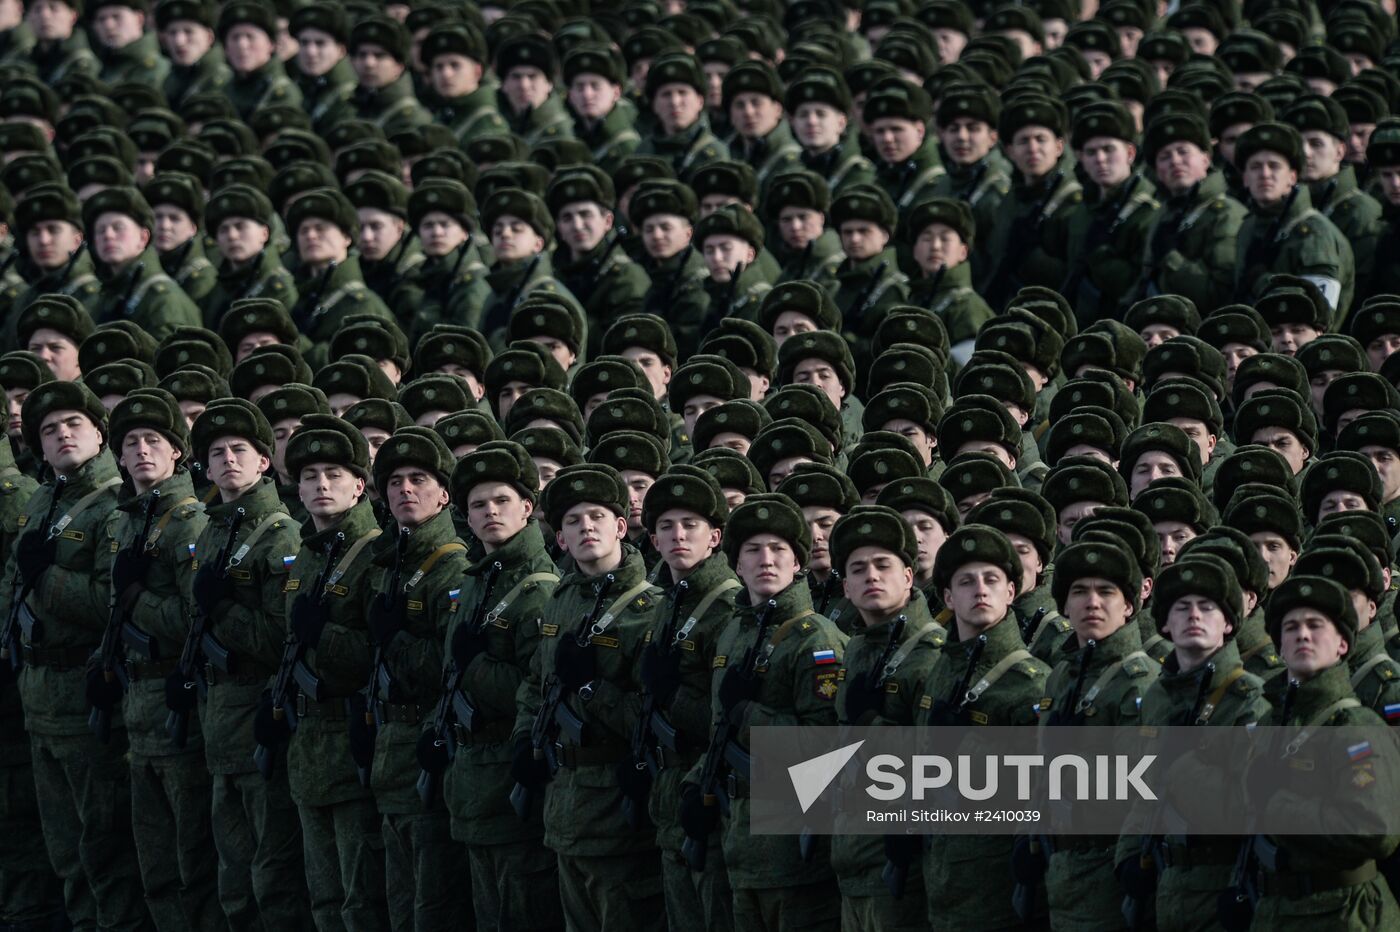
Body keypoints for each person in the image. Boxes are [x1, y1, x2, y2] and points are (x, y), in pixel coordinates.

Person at [4, 380, 145, 930]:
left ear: (98, 434)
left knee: (104, 849)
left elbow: (110, 604)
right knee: (66, 854)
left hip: (86, 698)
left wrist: (50, 577)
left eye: (73, 425)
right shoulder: (43, 498)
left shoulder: (115, 504)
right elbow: (16, 585)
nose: (62, 435)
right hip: (38, 698)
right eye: (48, 429)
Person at [682, 492, 846, 931]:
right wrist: (694, 783)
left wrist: (750, 712)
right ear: (736, 565)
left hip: (792, 847)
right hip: (738, 840)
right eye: (753, 551)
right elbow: (721, 729)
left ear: (798, 563)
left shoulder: (817, 640)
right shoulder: (734, 631)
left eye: (779, 550)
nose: (766, 560)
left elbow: (828, 749)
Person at [509, 463, 663, 931]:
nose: (585, 527)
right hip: (565, 806)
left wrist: (594, 689)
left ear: (620, 527)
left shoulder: (651, 607)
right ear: (560, 540)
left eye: (596, 516)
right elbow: (536, 686)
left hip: (616, 807)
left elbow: (651, 715)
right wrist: (523, 740)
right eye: (572, 521)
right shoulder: (560, 600)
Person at [98, 388, 224, 931]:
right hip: (137, 705)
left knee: (192, 860)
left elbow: (196, 621)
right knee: (155, 864)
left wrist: (137, 600)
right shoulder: (127, 521)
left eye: (156, 440)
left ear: (178, 453)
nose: (144, 450)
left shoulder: (189, 520)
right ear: (119, 457)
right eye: (131, 442)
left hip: (180, 708)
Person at [188, 398, 312, 928]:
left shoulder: (280, 533)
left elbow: (282, 638)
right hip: (219, 718)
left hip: (259, 714)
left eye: (240, 449)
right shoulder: (216, 526)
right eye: (216, 452)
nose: (228, 460)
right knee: (233, 874)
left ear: (265, 460)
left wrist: (222, 608)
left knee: (272, 873)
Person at [439, 441, 562, 930]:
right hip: (472, 782)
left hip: (508, 775)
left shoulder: (540, 586)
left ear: (528, 508)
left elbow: (534, 691)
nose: (490, 512)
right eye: (478, 505)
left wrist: (475, 667)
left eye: (502, 501)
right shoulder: (476, 581)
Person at [273, 414, 389, 931]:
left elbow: (380, 655)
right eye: (311, 475)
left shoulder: (376, 554)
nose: (322, 484)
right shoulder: (310, 553)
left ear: (359, 485)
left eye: (335, 474)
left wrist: (326, 634)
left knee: (359, 899)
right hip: (308, 745)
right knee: (323, 895)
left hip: (352, 738)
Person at [1114, 554, 1271, 932]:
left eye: (1208, 607)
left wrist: (1182, 767)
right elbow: (1143, 785)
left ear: (1229, 622)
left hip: (1224, 880)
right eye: (1182, 608)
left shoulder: (1248, 699)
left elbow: (1250, 805)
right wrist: (1129, 853)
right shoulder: (1157, 696)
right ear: (1166, 625)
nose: (1194, 616)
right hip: (1168, 882)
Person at [360, 427, 469, 930]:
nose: (405, 489)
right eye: (395, 481)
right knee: (399, 904)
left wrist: (395, 639)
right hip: (390, 749)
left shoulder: (453, 567)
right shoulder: (389, 562)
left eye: (418, 479)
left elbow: (445, 670)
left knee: (431, 908)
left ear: (444, 494)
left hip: (429, 748)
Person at [1246, 574, 1400, 927]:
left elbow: (1374, 829)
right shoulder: (1271, 724)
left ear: (1343, 645)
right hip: (1276, 909)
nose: (1302, 634)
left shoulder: (1355, 727)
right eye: (1291, 628)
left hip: (1345, 913)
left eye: (1316, 626)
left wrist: (1278, 805)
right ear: (1279, 647)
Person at [918, 524, 1050, 932]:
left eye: (992, 579)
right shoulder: (940, 671)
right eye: (966, 581)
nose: (980, 590)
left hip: (998, 884)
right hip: (942, 876)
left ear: (1011, 592)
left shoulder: (1030, 681)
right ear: (946, 597)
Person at [631, 465, 741, 932]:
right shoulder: (664, 601)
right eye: (666, 527)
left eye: (691, 525)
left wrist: (673, 695)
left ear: (715, 537)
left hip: (710, 793)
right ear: (652, 540)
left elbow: (725, 721)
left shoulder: (729, 605)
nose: (678, 536)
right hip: (668, 790)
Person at [1030, 538, 1157, 930]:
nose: (1092, 602)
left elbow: (1139, 783)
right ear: (1065, 607)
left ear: (1130, 605)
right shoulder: (1060, 676)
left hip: (1108, 863)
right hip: (1061, 864)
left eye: (1107, 592)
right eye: (1079, 592)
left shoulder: (1141, 681)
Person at [829, 504, 943, 929]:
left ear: (909, 577)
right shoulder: (857, 648)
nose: (871, 576)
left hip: (902, 860)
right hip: (851, 859)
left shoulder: (932, 654)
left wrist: (872, 728)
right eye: (858, 569)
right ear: (845, 586)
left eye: (883, 565)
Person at [1234, 122, 1354, 319]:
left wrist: (1262, 281)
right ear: (1245, 178)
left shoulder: (1315, 232)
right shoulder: (1248, 226)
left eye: (1274, 166)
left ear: (1292, 176)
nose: (1265, 174)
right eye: (1255, 167)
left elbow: (1319, 312)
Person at [1134, 114, 1246, 314]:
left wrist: (1171, 259)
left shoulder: (1227, 213)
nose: (1175, 161)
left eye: (1183, 152)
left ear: (1205, 158)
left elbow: (1221, 294)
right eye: (1164, 156)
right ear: (1157, 170)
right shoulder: (1162, 214)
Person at [84, 186, 201, 340]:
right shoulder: (108, 293)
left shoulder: (163, 301)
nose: (108, 235)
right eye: (100, 230)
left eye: (118, 228)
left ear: (143, 238)